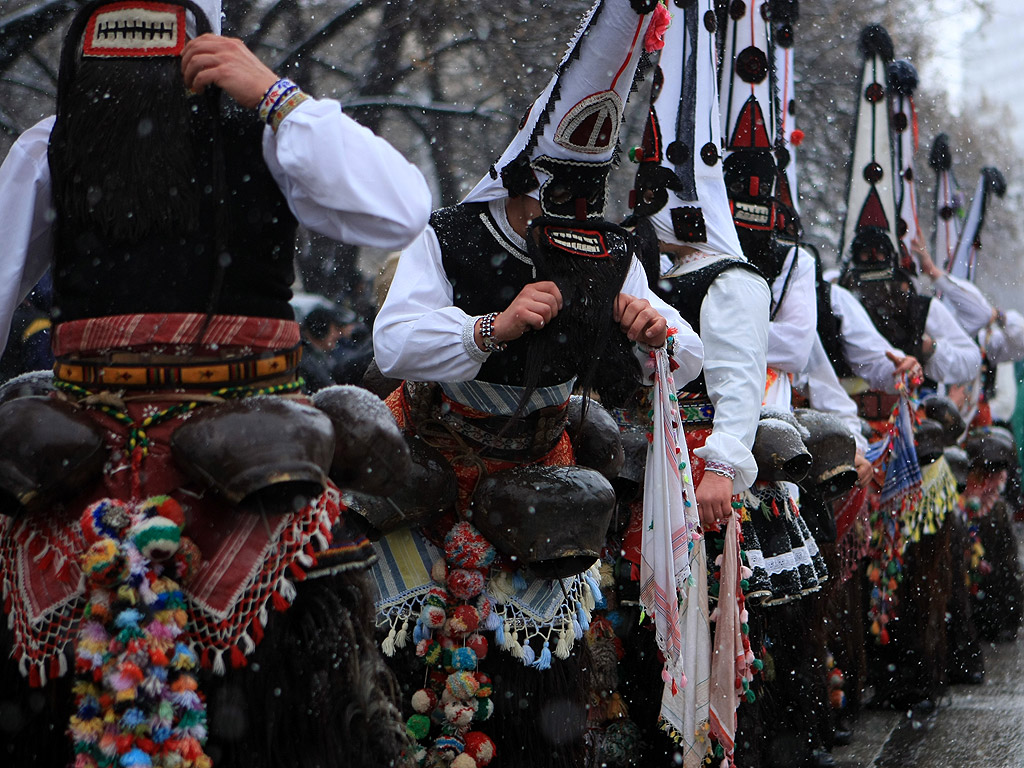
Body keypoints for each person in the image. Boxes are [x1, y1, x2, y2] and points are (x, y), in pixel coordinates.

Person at [0, 2, 431, 766]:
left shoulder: (266, 133)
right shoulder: (48, 147)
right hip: (80, 464)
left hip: (256, 467)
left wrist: (275, 94)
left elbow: (400, 208)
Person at [372, 3, 703, 767]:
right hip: (432, 466)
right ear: (521, 180)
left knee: (540, 685)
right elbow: (393, 341)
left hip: (543, 477)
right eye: (559, 200)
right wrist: (490, 328)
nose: (573, 219)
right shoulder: (450, 234)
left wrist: (654, 335)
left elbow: (684, 356)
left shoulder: (609, 253)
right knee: (416, 664)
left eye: (586, 201)